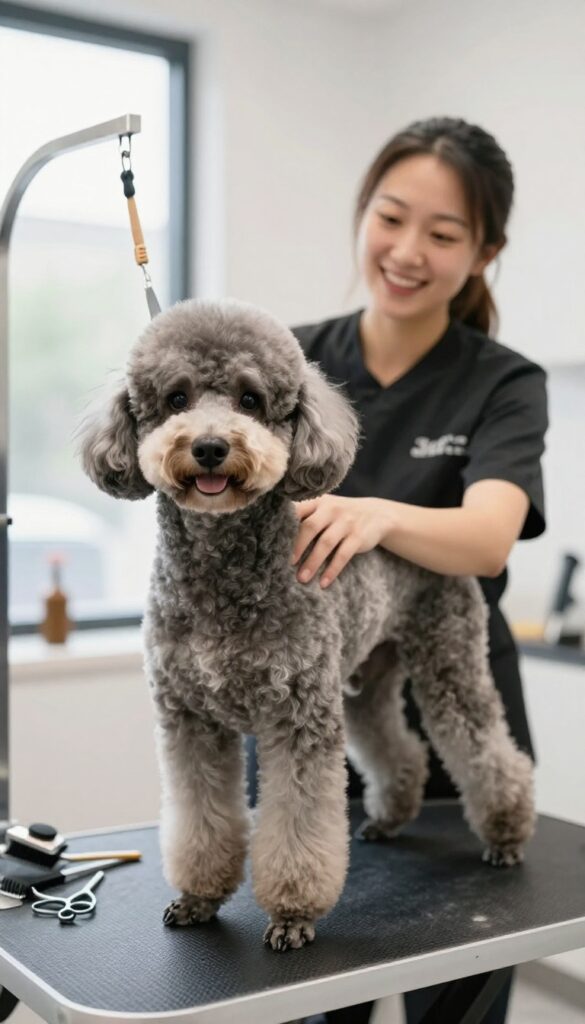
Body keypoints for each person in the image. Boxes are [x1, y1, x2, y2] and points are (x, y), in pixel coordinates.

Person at [285, 116, 548, 1024]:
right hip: (297, 710)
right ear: (362, 213)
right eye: (390, 218)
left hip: (454, 728)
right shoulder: (286, 361)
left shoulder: (502, 381)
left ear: (484, 252)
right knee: (307, 997)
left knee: (458, 1004)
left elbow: (486, 541)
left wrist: (381, 513)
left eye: (442, 234)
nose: (406, 251)